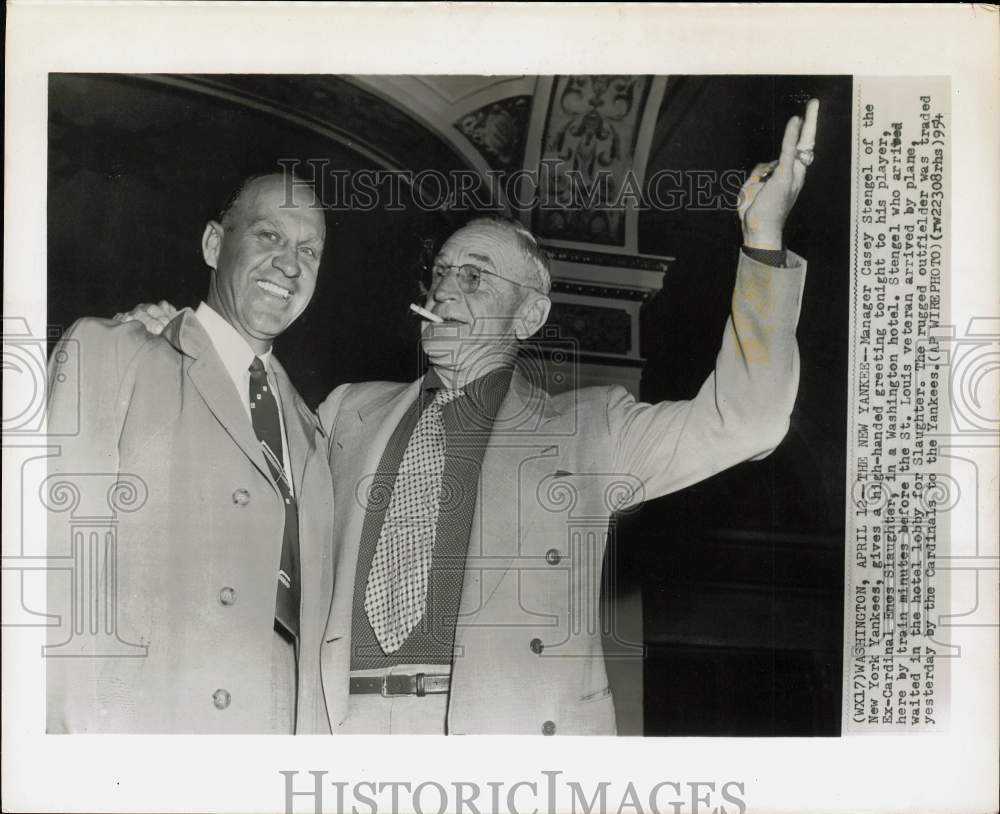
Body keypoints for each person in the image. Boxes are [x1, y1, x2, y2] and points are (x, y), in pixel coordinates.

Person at [120, 100, 819, 735]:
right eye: (442, 274)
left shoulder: (590, 429)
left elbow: (748, 420)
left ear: (531, 315)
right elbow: (236, 435)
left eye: (475, 277)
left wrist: (762, 239)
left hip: (501, 737)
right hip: (345, 728)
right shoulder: (345, 412)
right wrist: (180, 343)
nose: (446, 290)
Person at [45, 172, 334, 733]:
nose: (290, 265)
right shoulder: (115, 353)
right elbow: (57, 574)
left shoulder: (310, 428)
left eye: (309, 251)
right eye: (269, 236)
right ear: (213, 244)